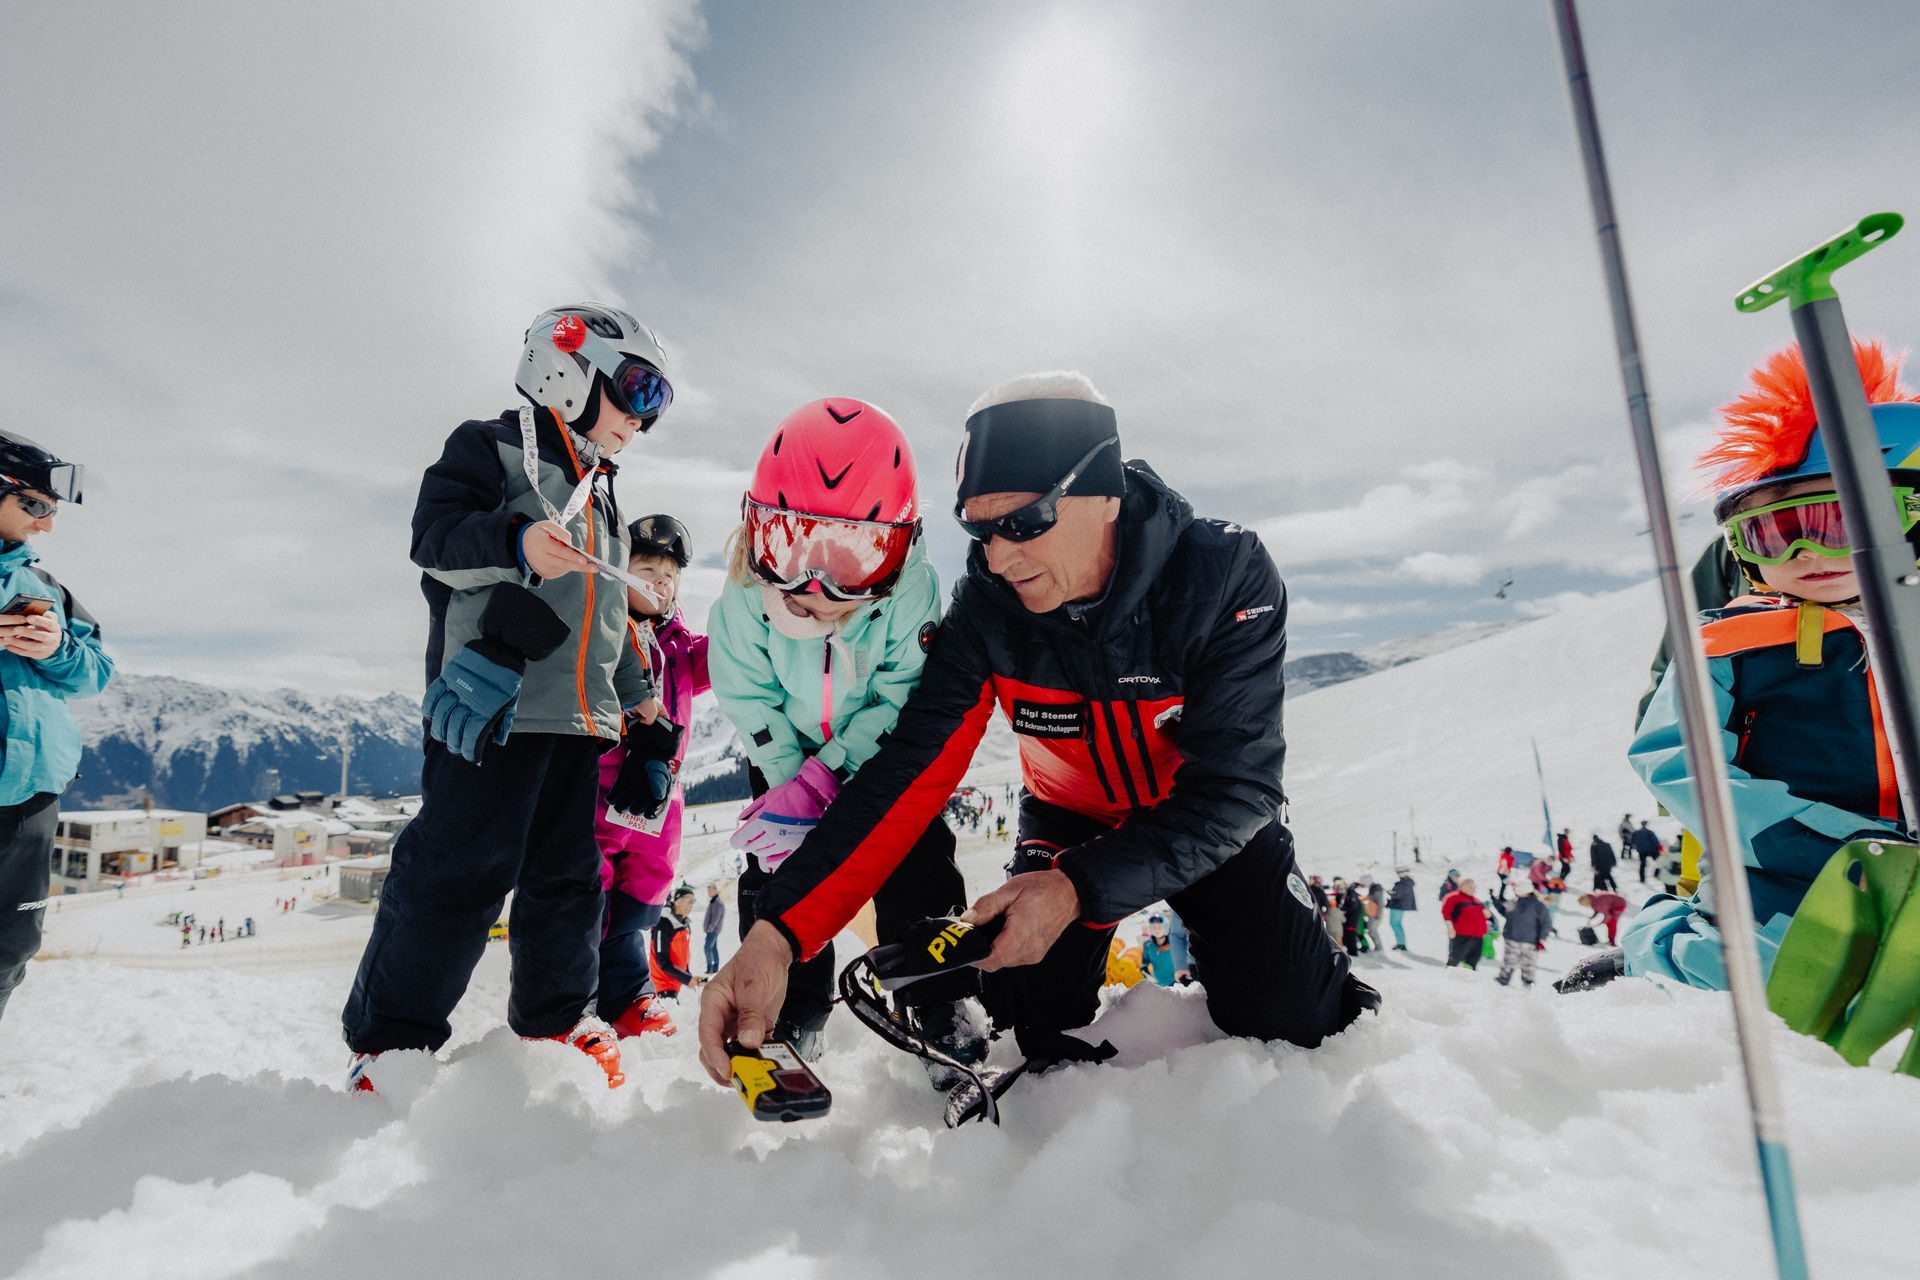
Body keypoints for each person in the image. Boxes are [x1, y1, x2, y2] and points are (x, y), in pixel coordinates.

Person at [699, 372, 1373, 1087]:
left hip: (1201, 821)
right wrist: (777, 934)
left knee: (1291, 1018)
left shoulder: (1222, 574)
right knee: (1031, 1020)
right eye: (981, 530)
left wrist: (1076, 889)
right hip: (1069, 819)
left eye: (1024, 523)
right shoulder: (988, 612)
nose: (999, 557)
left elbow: (1237, 787)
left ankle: (1303, 951)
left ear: (1105, 493)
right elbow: (906, 777)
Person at [341, 304, 671, 1092]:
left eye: (656, 404)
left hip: (580, 720)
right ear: (566, 370)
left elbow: (608, 611)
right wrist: (517, 542)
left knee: (569, 881)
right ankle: (389, 1044)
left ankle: (556, 1021)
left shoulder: (602, 492)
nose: (642, 419)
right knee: (459, 871)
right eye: (636, 391)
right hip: (495, 710)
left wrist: (640, 702)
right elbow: (435, 536)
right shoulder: (487, 447)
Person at [1618, 340, 1920, 990]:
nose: (1808, 551)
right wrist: (1786, 830)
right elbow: (1676, 756)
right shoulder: (1734, 640)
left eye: (1835, 523)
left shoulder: (1913, 625)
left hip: (1908, 868)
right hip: (1796, 858)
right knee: (1764, 969)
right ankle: (1651, 943)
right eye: (1775, 534)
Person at [708, 398, 976, 1064]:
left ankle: (939, 1003)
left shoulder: (908, 595)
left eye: (856, 557)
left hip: (876, 760)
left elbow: (897, 694)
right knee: (780, 876)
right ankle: (792, 1015)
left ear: (897, 551)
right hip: (785, 762)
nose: (819, 587)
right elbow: (747, 694)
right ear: (757, 530)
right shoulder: (744, 598)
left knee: (917, 858)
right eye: (791, 546)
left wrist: (834, 769)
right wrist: (791, 781)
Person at [0, 430, 112, 1022]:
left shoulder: (45, 589)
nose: (46, 525)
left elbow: (96, 674)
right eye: (36, 506)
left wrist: (55, 647)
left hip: (29, 799)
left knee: (9, 950)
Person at [594, 513, 710, 1039]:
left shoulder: (684, 647)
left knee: (640, 902)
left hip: (661, 805)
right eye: (646, 570)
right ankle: (575, 1001)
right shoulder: (600, 632)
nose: (659, 585)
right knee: (584, 899)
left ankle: (629, 1000)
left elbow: (735, 653)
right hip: (600, 794)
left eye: (668, 577)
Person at [649, 884, 704, 1000]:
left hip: (675, 984)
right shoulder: (664, 922)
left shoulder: (684, 924)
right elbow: (662, 962)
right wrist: (687, 979)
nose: (691, 905)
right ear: (677, 901)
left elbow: (682, 955)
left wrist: (689, 977)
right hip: (662, 987)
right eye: (689, 901)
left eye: (693, 901)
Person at [1495, 879, 1551, 988]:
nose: (1515, 891)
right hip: (1513, 938)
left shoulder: (1538, 905)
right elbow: (1503, 909)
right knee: (1509, 961)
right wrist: (1496, 898)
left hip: (1530, 941)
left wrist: (1542, 938)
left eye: (1517, 890)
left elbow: (1546, 923)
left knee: (1528, 964)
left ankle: (1528, 983)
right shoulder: (1514, 902)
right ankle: (1503, 980)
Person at [1440, 877, 1488, 970]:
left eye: (1474, 887)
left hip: (1478, 935)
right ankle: (1447, 976)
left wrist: (1487, 914)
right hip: (1462, 934)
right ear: (1462, 886)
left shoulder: (1475, 900)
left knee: (1473, 959)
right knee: (1456, 957)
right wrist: (1450, 928)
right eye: (1470, 886)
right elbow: (1446, 913)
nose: (1473, 889)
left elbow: (1486, 914)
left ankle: (1468, 978)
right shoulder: (1453, 897)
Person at [1140, 913, 1179, 986]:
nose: (1156, 930)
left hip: (1177, 984)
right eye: (1153, 927)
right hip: (1158, 985)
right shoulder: (1148, 945)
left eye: (1160, 927)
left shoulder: (1174, 942)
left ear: (1166, 927)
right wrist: (1144, 969)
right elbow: (1144, 962)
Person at [1385, 868, 1415, 951]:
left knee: (1395, 924)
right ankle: (1401, 943)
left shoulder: (1403, 884)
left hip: (1397, 906)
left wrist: (1389, 892)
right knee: (1397, 924)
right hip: (1400, 906)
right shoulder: (1408, 883)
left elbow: (1397, 895)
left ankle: (1401, 943)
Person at [702, 882, 725, 976]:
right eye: (708, 891)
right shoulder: (714, 901)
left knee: (707, 948)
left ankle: (710, 967)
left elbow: (716, 918)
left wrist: (709, 928)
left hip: (713, 931)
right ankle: (715, 967)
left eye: (710, 890)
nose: (709, 892)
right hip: (712, 930)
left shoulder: (718, 903)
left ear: (715, 890)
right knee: (713, 948)